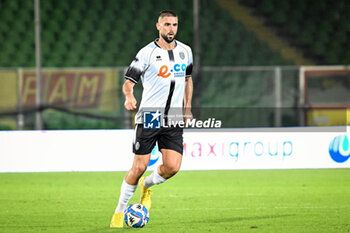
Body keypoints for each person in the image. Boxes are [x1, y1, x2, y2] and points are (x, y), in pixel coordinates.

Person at [110, 10, 193, 228]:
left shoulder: (186, 51)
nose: (171, 29)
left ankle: (146, 186)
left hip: (173, 117)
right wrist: (129, 96)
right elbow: (128, 81)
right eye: (167, 24)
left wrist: (188, 107)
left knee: (173, 167)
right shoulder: (147, 53)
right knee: (138, 167)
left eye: (174, 24)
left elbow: (188, 79)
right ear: (158, 26)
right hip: (150, 117)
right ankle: (119, 211)